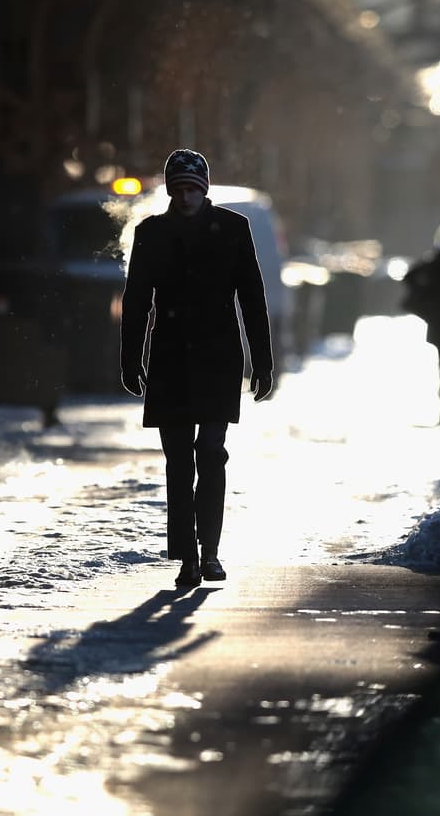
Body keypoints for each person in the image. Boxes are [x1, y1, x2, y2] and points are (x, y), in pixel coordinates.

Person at [119, 149, 274, 588]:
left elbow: (252, 297)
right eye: (180, 189)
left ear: (204, 189)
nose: (186, 197)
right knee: (178, 462)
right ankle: (187, 558)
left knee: (210, 452)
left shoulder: (232, 228)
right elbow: (136, 301)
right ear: (171, 190)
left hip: (218, 357)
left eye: (193, 189)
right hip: (169, 357)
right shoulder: (151, 232)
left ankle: (211, 552)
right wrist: (130, 360)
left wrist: (262, 362)